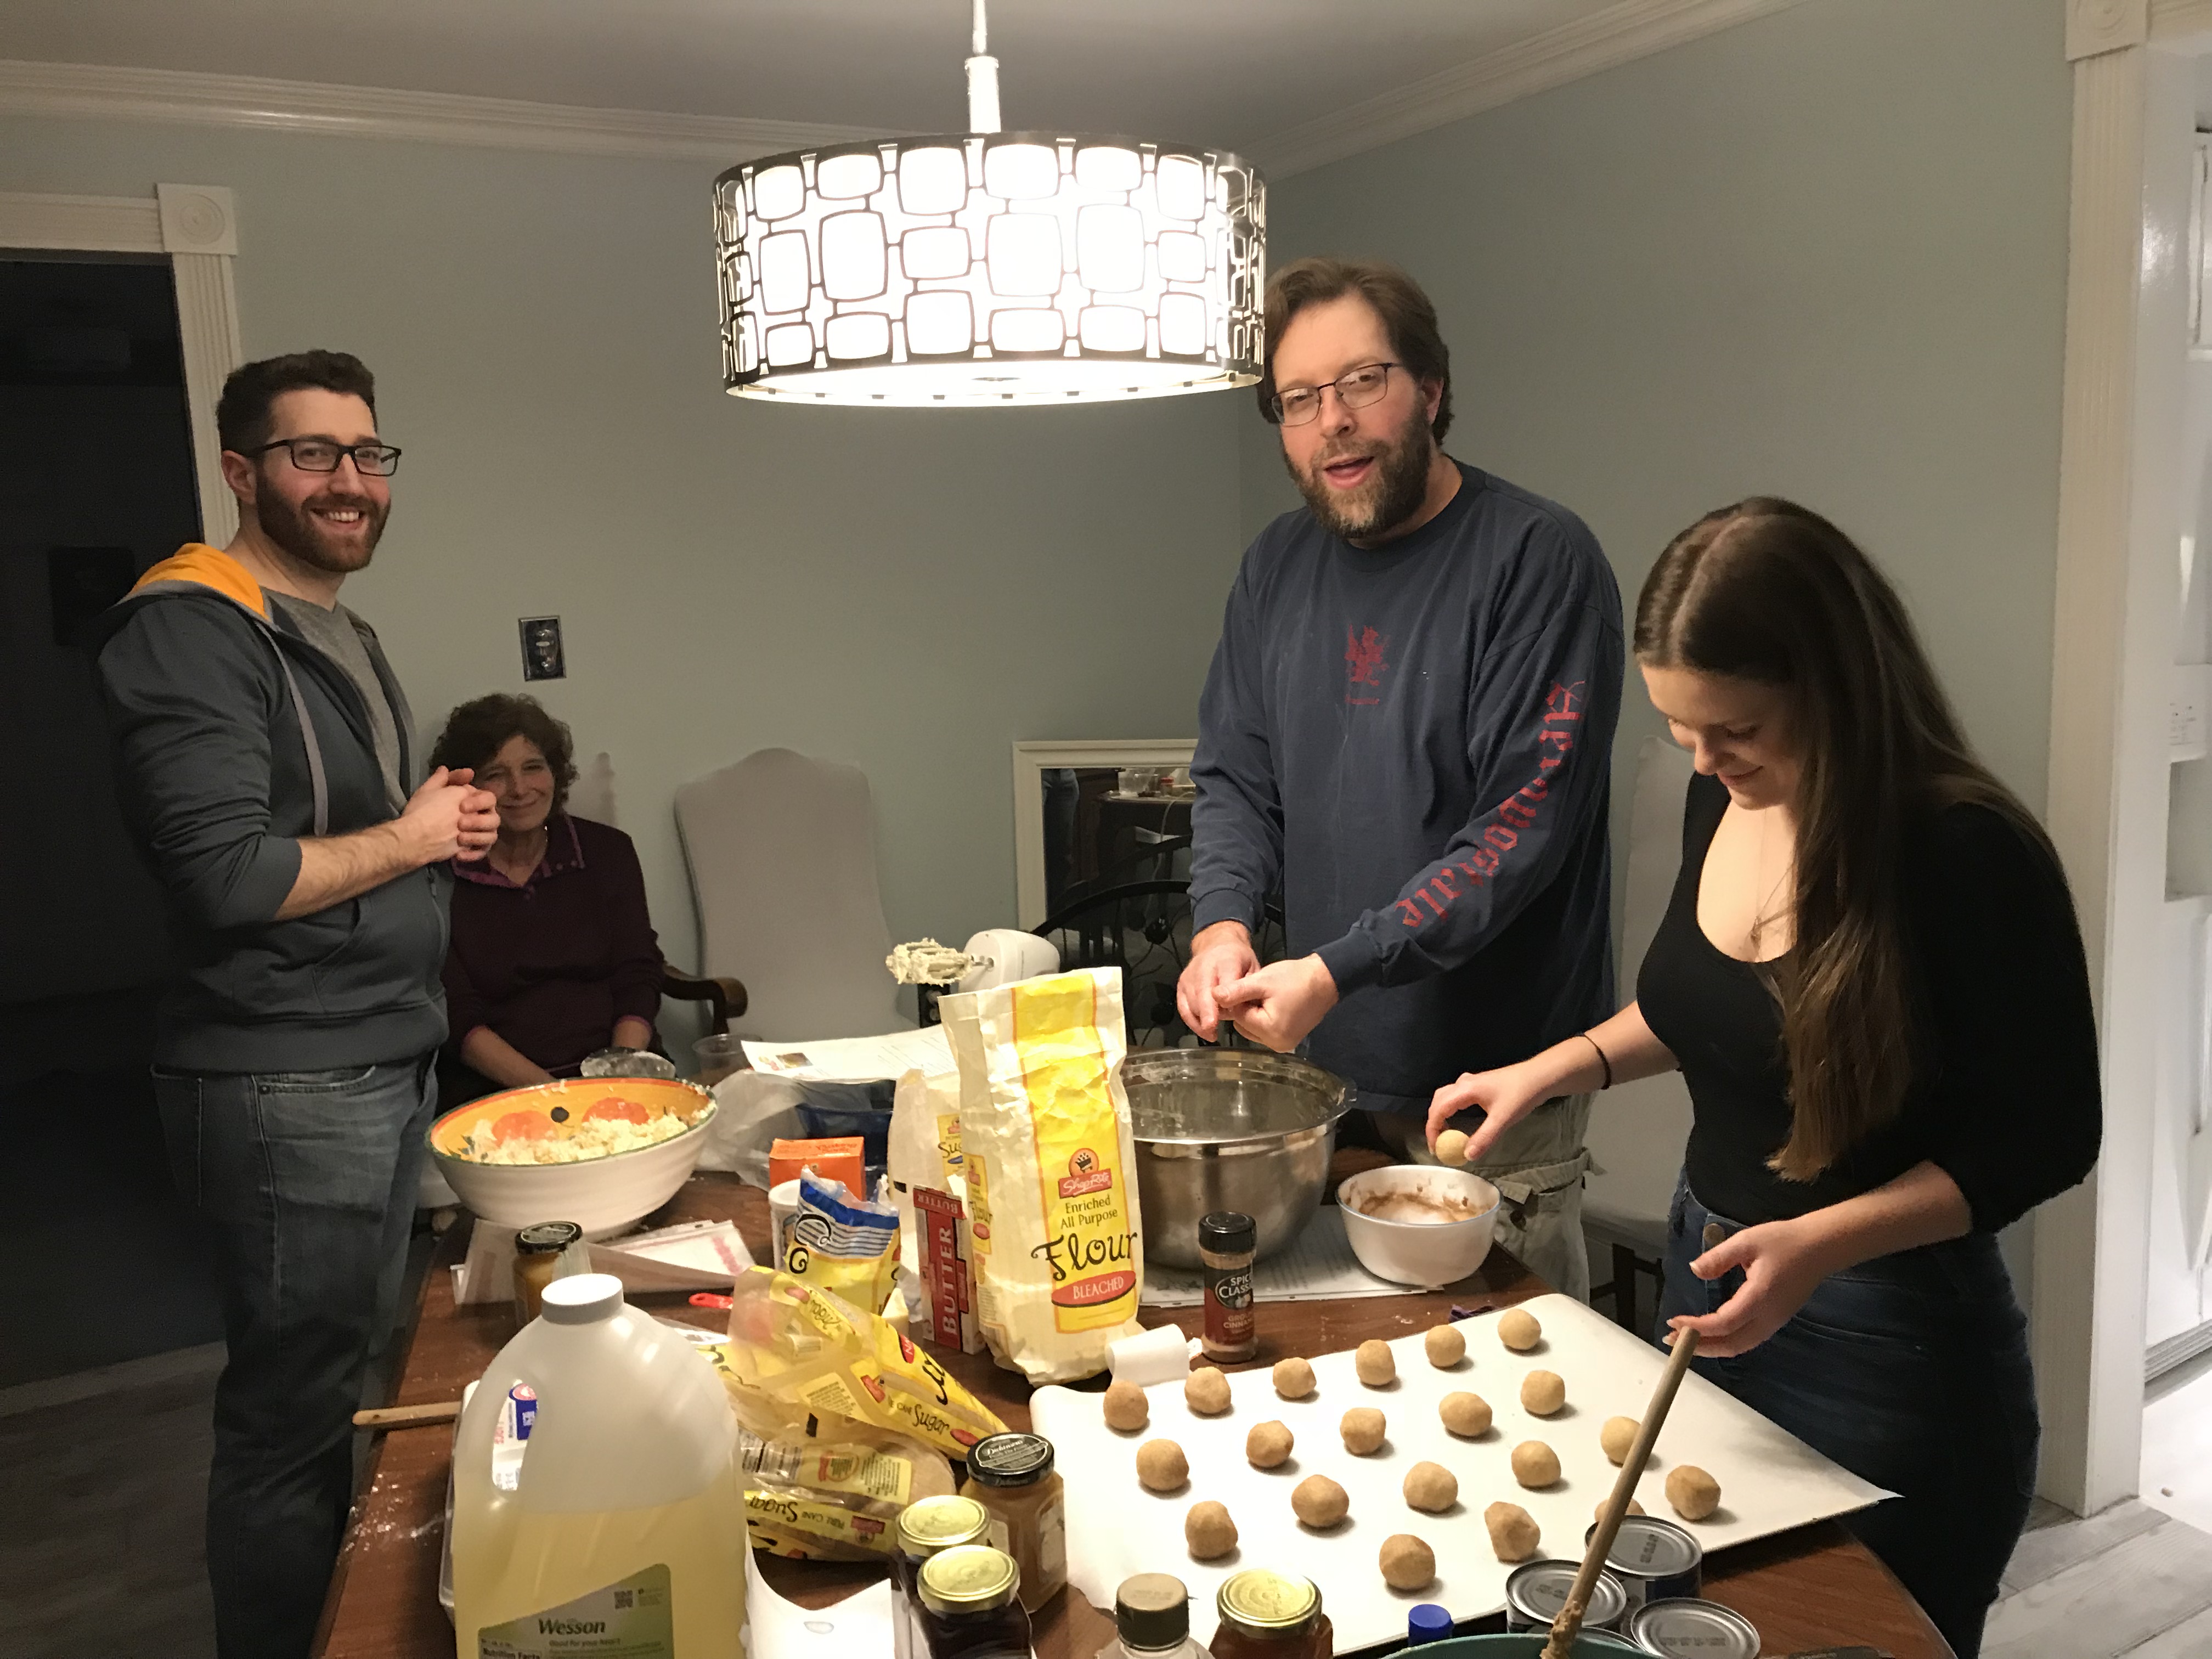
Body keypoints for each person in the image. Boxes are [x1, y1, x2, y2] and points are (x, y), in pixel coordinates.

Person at [1425, 499, 2100, 1657]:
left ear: (1832, 683)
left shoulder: (1964, 850)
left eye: (1729, 726)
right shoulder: (1719, 795)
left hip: (1890, 1341)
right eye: (1680, 727)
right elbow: (1719, 1010)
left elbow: (2048, 1138)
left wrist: (1819, 1246)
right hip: (1717, 1282)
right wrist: (1553, 1068)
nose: (1702, 757)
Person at [93, 350, 498, 1659]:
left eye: (368, 456)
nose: (349, 483)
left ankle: (358, 1626)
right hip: (284, 1081)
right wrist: (418, 838)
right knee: (290, 1418)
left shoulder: (342, 629)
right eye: (312, 454)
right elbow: (225, 875)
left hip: (379, 1058)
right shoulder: (189, 625)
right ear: (240, 471)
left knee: (363, 1381)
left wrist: (438, 831)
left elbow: (356, 836)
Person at [1176, 257, 1623, 1296]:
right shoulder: (1273, 568)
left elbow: (1521, 830)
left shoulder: (1537, 558)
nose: (1331, 420)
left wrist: (1337, 966)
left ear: (1428, 389)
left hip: (1491, 1088)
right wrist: (1220, 925)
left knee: (1512, 1386)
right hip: (1318, 1075)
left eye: (1361, 381)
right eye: (1297, 399)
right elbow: (1235, 777)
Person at [428, 693, 667, 1098]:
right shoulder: (439, 874)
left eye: (533, 768)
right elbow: (455, 1013)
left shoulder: (609, 852)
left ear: (556, 774)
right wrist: (557, 1097)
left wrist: (618, 1077)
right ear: (468, 787)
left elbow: (637, 972)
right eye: (496, 774)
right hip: (496, 1090)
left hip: (618, 1076)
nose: (519, 789)